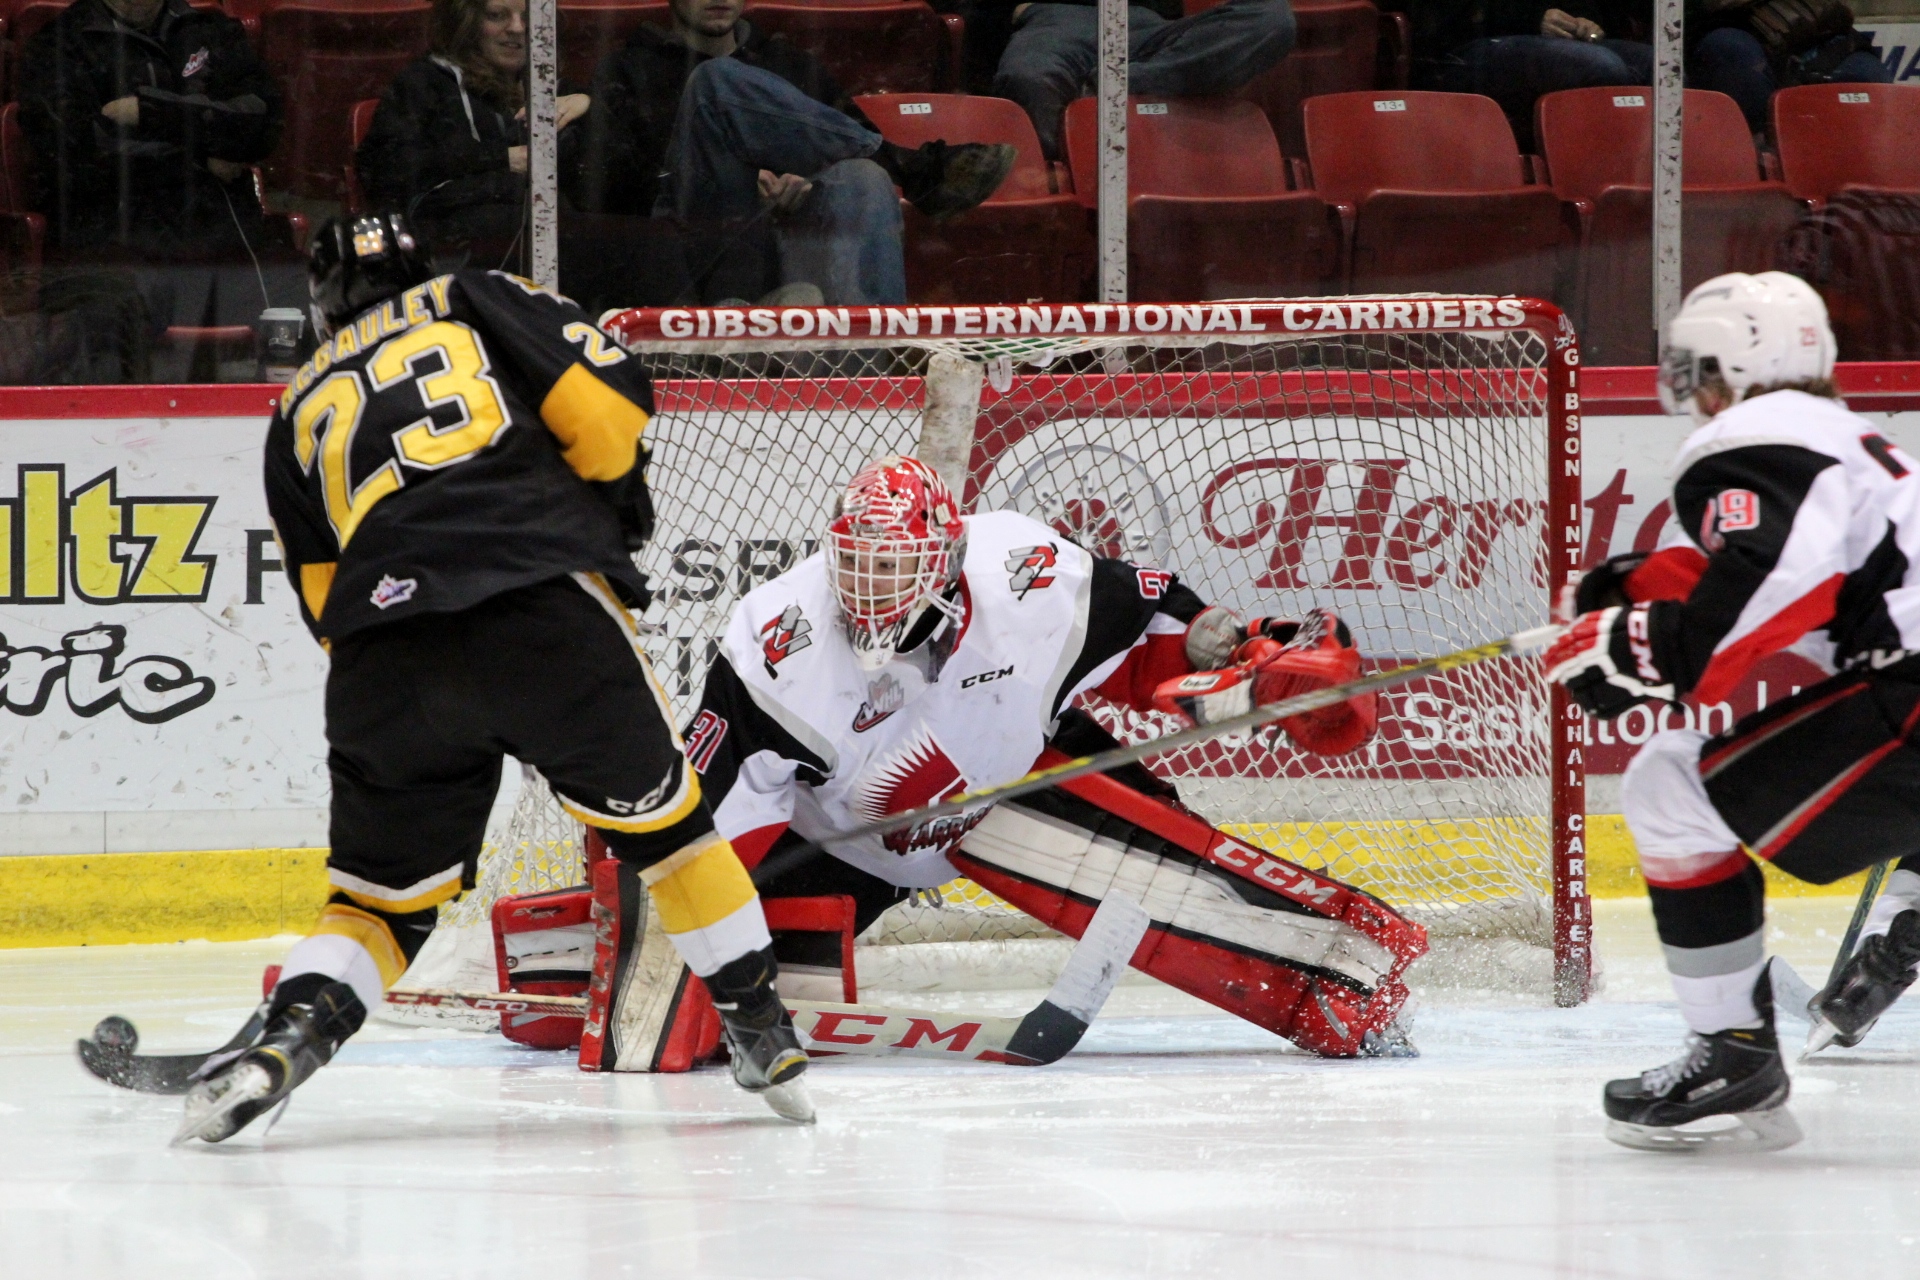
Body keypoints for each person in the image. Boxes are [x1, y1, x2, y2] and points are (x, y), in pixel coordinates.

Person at [176, 212, 812, 1144]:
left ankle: (288, 1040)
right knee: (671, 837)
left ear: (320, 306)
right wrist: (607, 500)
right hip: (538, 603)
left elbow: (321, 598)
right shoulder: (475, 296)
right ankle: (762, 1032)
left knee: (377, 903)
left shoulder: (294, 404)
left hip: (383, 659)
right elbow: (607, 412)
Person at [655, 455, 1427, 1060]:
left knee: (1184, 892)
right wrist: (694, 945)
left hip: (1015, 784)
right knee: (696, 1003)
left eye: (894, 567)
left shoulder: (1026, 572)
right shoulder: (775, 645)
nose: (871, 591)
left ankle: (1347, 975)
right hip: (842, 846)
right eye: (857, 564)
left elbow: (1151, 636)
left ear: (948, 558)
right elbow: (713, 833)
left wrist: (1248, 658)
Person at [1544, 270, 1920, 1153]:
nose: (1690, 390)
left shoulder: (1756, 435)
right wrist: (1624, 600)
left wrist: (1653, 648)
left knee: (1670, 783)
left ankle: (1733, 1052)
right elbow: (1746, 566)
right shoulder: (1841, 438)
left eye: (1695, 368)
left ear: (1732, 368)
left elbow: (1775, 575)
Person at [580, 0, 1016, 306]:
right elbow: (612, 190)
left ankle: (871, 362)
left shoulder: (788, 62)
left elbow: (853, 140)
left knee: (863, 177)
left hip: (792, 247)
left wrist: (805, 181)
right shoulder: (628, 68)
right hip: (694, 249)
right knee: (715, 82)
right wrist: (725, 171)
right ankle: (915, 169)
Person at [15, 0, 302, 365]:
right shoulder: (59, 45)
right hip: (115, 236)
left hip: (221, 232)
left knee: (302, 292)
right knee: (113, 319)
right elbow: (80, 153)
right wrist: (204, 151)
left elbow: (263, 124)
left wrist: (150, 111)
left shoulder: (212, 32)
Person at [356, 0, 594, 255]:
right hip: (449, 254)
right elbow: (387, 170)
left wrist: (590, 104)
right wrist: (503, 158)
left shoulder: (556, 90)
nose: (517, 28)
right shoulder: (423, 84)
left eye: (528, 17)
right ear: (466, 23)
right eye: (496, 15)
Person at [971, 0, 1297, 159]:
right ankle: (1070, 179)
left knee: (1271, 20)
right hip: (1056, 17)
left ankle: (1112, 86)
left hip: (1146, 22)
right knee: (1028, 74)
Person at [1404, 0, 1651, 144]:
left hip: (1557, 43)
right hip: (1468, 46)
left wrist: (1584, 20)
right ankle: (1589, 187)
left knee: (1658, 66)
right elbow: (1453, 15)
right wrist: (1532, 19)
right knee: (1601, 67)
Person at [1684, 0, 1890, 132]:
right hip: (1738, 36)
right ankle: (1760, 161)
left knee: (1867, 79)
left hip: (1820, 34)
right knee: (1733, 54)